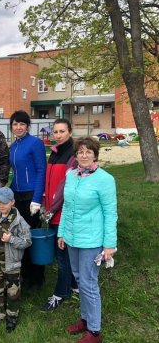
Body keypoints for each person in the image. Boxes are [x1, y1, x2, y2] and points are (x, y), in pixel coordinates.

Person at [58, 136, 117, 343]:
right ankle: (85, 319)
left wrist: (110, 245)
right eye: (80, 152)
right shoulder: (72, 175)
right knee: (80, 279)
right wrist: (62, 233)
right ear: (76, 156)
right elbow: (67, 206)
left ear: (95, 154)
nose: (84, 155)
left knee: (89, 283)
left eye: (88, 152)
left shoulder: (105, 179)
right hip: (73, 238)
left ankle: (94, 331)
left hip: (92, 240)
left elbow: (111, 213)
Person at [41, 118, 78, 311]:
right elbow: (50, 183)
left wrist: (51, 209)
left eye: (62, 131)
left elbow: (65, 187)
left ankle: (60, 293)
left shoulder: (72, 154)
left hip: (63, 213)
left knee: (62, 257)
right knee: (65, 254)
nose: (58, 135)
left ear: (69, 132)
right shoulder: (54, 153)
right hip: (52, 211)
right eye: (55, 132)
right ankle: (74, 285)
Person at [9, 110, 46, 289]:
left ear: (27, 126)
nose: (18, 127)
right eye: (15, 124)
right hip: (17, 196)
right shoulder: (13, 146)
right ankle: (24, 274)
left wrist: (37, 198)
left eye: (22, 124)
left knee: (31, 236)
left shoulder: (35, 143)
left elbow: (41, 171)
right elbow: (14, 173)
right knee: (20, 236)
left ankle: (37, 278)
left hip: (31, 195)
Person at [0, 187, 31, 333]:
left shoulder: (19, 221)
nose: (1, 206)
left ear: (12, 202)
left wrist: (11, 239)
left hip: (12, 264)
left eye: (4, 203)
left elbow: (27, 241)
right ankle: (1, 313)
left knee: (13, 293)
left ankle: (12, 318)